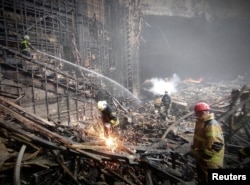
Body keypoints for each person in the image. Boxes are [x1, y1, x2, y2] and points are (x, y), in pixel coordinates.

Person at [191, 102, 224, 185]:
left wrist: (205, 157)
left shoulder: (211, 124)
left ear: (203, 112)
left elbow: (216, 144)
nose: (197, 115)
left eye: (198, 113)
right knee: (202, 179)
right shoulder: (202, 122)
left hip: (210, 161)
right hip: (202, 158)